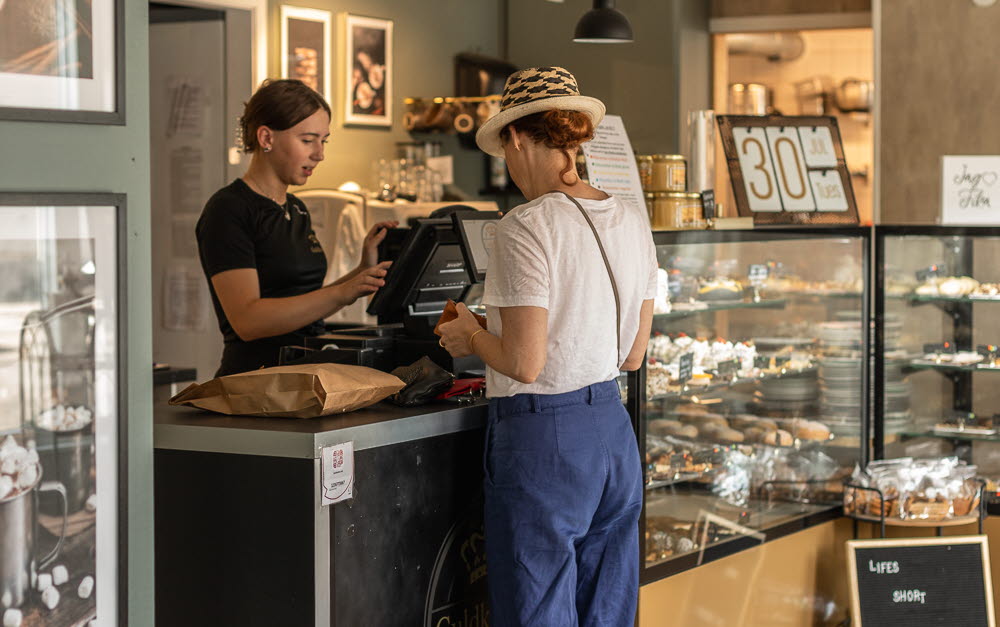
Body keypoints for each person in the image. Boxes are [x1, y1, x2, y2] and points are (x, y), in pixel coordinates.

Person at [438, 67, 657, 626]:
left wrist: (470, 334)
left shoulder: (524, 225)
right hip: (613, 435)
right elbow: (632, 355)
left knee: (538, 613)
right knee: (607, 612)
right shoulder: (631, 218)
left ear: (514, 138)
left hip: (545, 444)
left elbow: (525, 363)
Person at [196, 79, 396, 376]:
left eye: (323, 141)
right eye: (308, 140)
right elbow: (248, 321)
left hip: (303, 372)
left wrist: (362, 270)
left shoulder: (295, 208)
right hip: (256, 379)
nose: (320, 154)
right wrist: (342, 293)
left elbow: (304, 303)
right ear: (266, 138)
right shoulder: (229, 210)